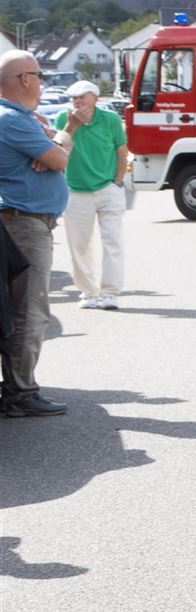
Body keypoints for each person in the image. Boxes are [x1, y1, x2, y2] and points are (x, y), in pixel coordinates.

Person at [0, 50, 71, 417]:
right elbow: (60, 159)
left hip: (22, 222)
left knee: (18, 309)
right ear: (25, 79)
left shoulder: (17, 119)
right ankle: (20, 393)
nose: (43, 83)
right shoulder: (13, 120)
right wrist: (56, 143)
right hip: (25, 224)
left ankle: (17, 388)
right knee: (29, 310)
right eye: (40, 76)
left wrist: (50, 142)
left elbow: (54, 157)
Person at [53, 80, 128, 310]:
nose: (78, 102)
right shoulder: (63, 118)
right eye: (74, 98)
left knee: (112, 241)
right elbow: (57, 149)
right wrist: (71, 126)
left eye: (82, 97)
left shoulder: (110, 119)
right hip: (76, 190)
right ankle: (88, 292)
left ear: (95, 98)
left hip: (107, 188)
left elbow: (121, 151)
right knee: (79, 245)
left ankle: (110, 293)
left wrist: (118, 181)